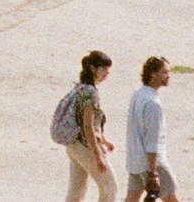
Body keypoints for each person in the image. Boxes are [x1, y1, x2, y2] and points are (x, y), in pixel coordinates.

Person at [54, 51, 117, 202]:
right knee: (109, 187)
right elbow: (87, 125)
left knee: (77, 190)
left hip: (73, 145)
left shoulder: (81, 88)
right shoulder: (90, 92)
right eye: (103, 69)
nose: (107, 73)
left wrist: (104, 140)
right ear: (92, 68)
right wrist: (98, 155)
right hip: (85, 146)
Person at [124, 56, 179, 198]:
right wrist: (153, 172)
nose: (168, 76)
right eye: (164, 72)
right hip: (151, 164)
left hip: (135, 160)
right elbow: (152, 141)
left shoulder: (137, 94)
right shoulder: (153, 103)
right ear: (152, 74)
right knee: (171, 198)